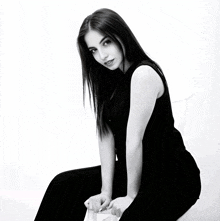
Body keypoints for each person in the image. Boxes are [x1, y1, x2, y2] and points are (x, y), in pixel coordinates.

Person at [34, 8, 201, 221]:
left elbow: (134, 140)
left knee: (131, 215)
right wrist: (106, 191)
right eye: (93, 50)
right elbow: (106, 135)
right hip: (135, 169)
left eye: (106, 43)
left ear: (120, 35)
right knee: (63, 186)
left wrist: (131, 196)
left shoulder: (143, 74)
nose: (102, 56)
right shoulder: (110, 81)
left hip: (171, 175)